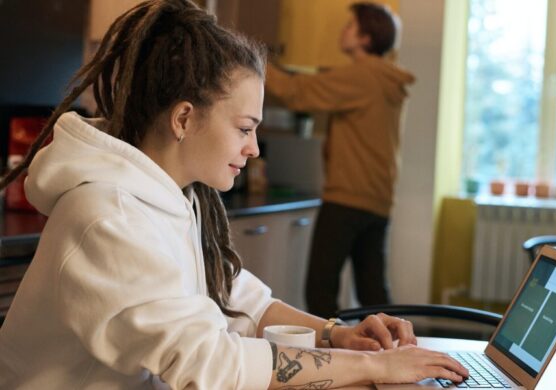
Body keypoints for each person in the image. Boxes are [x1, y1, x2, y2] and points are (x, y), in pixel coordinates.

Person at [0, 1, 466, 389]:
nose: (254, 147)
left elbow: (241, 299)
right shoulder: (109, 216)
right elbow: (210, 363)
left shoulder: (179, 197)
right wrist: (373, 366)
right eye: (244, 128)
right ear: (183, 119)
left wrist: (335, 335)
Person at [265, 2, 416, 319]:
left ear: (365, 38)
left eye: (350, 26)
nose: (342, 30)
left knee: (320, 290)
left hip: (346, 198)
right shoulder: (387, 79)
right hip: (378, 200)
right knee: (373, 293)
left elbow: (298, 92)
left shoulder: (362, 76)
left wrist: (251, 59)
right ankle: (396, 354)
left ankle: (331, 359)